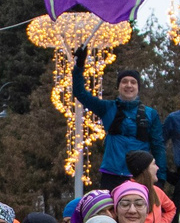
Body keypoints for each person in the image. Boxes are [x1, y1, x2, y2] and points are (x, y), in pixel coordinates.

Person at [69, 56, 167, 190]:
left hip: (140, 174)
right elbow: (80, 93)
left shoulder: (151, 114)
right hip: (112, 173)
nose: (129, 85)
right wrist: (79, 67)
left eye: (133, 82)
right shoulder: (107, 108)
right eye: (124, 82)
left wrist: (160, 178)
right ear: (118, 86)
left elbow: (158, 147)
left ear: (138, 87)